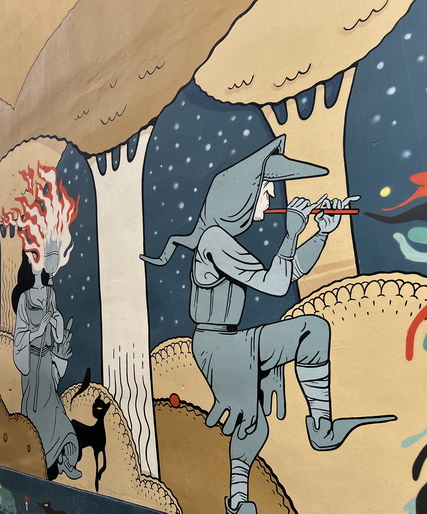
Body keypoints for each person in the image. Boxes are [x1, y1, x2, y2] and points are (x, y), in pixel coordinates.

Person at [141, 136, 395, 514]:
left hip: (236, 340)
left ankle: (322, 429)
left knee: (313, 332)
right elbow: (276, 284)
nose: (271, 197)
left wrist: (321, 232)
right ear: (241, 198)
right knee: (253, 426)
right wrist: (291, 233)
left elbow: (288, 272)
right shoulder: (214, 241)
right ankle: (238, 501)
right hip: (216, 347)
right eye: (265, 189)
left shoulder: (221, 239)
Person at [12, 253, 80, 480]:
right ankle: (39, 459)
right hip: (31, 364)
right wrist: (39, 330)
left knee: (55, 411)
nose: (36, 261)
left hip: (46, 360)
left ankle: (66, 459)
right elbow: (20, 337)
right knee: (35, 414)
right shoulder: (24, 298)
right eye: (32, 257)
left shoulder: (50, 294)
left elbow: (57, 334)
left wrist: (56, 322)